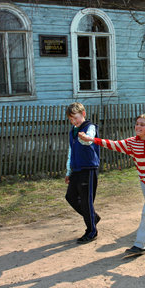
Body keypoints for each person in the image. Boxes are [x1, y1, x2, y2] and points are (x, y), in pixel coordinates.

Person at [79, 114, 145, 255]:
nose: (138, 127)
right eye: (137, 124)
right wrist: (91, 139)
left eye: (142, 124)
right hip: (144, 182)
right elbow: (112, 144)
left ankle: (140, 245)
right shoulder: (131, 143)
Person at [64, 102, 101, 244]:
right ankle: (93, 217)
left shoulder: (89, 127)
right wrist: (68, 170)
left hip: (89, 169)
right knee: (70, 197)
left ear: (83, 114)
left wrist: (85, 138)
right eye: (71, 119)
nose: (74, 121)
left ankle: (91, 230)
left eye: (76, 118)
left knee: (86, 201)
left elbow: (89, 140)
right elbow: (70, 151)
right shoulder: (73, 131)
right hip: (76, 169)